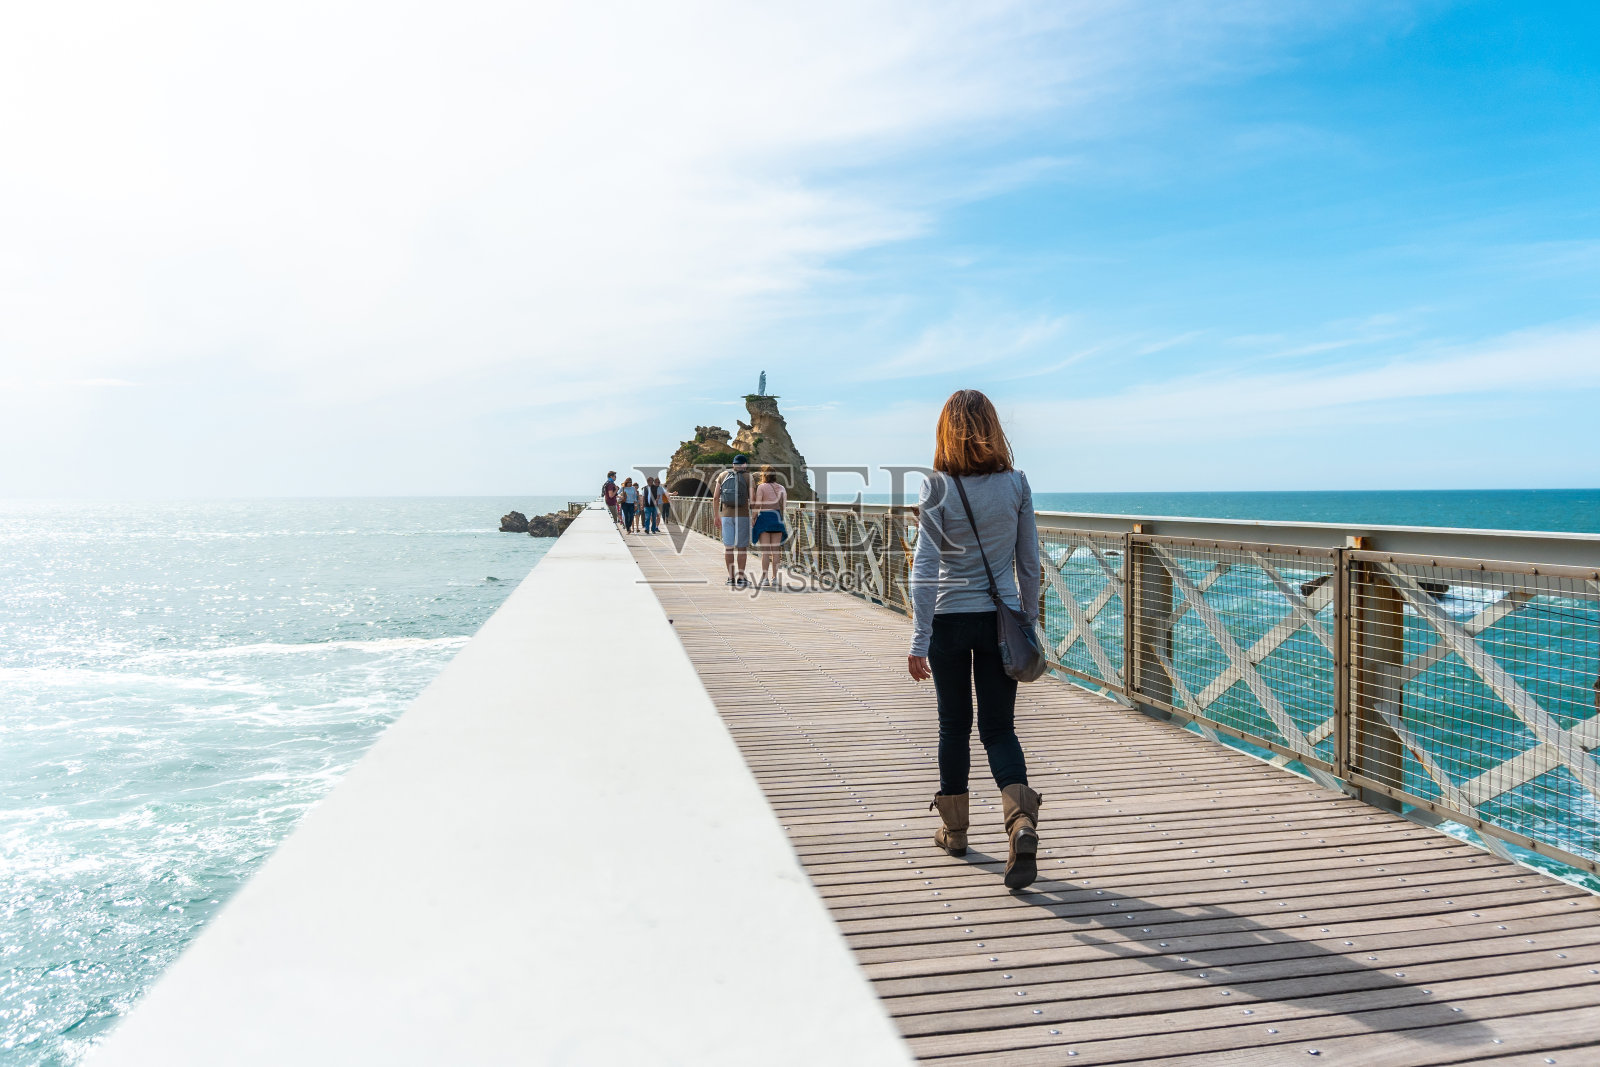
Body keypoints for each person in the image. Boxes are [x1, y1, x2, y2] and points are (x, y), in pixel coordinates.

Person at [907, 390, 1043, 889]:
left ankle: (955, 831)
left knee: (953, 726)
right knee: (999, 729)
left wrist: (919, 638)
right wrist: (1025, 620)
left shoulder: (937, 487)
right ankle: (1020, 822)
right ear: (993, 428)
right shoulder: (1017, 484)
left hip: (948, 619)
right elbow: (1029, 563)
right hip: (997, 620)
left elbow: (924, 568)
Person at [712, 455, 752, 586]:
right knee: (741, 548)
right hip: (743, 515)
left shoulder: (723, 475)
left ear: (733, 464)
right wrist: (755, 515)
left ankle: (730, 578)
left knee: (728, 547)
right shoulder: (748, 477)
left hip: (726, 516)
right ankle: (741, 577)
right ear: (744, 464)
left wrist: (716, 516)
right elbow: (753, 499)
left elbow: (716, 497)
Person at [751, 465, 788, 586]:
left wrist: (753, 517)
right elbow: (784, 506)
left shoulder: (761, 487)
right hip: (776, 519)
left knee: (765, 552)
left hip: (764, 519)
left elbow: (758, 505)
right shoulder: (781, 488)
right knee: (775, 551)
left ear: (764, 475)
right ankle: (775, 578)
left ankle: (765, 578)